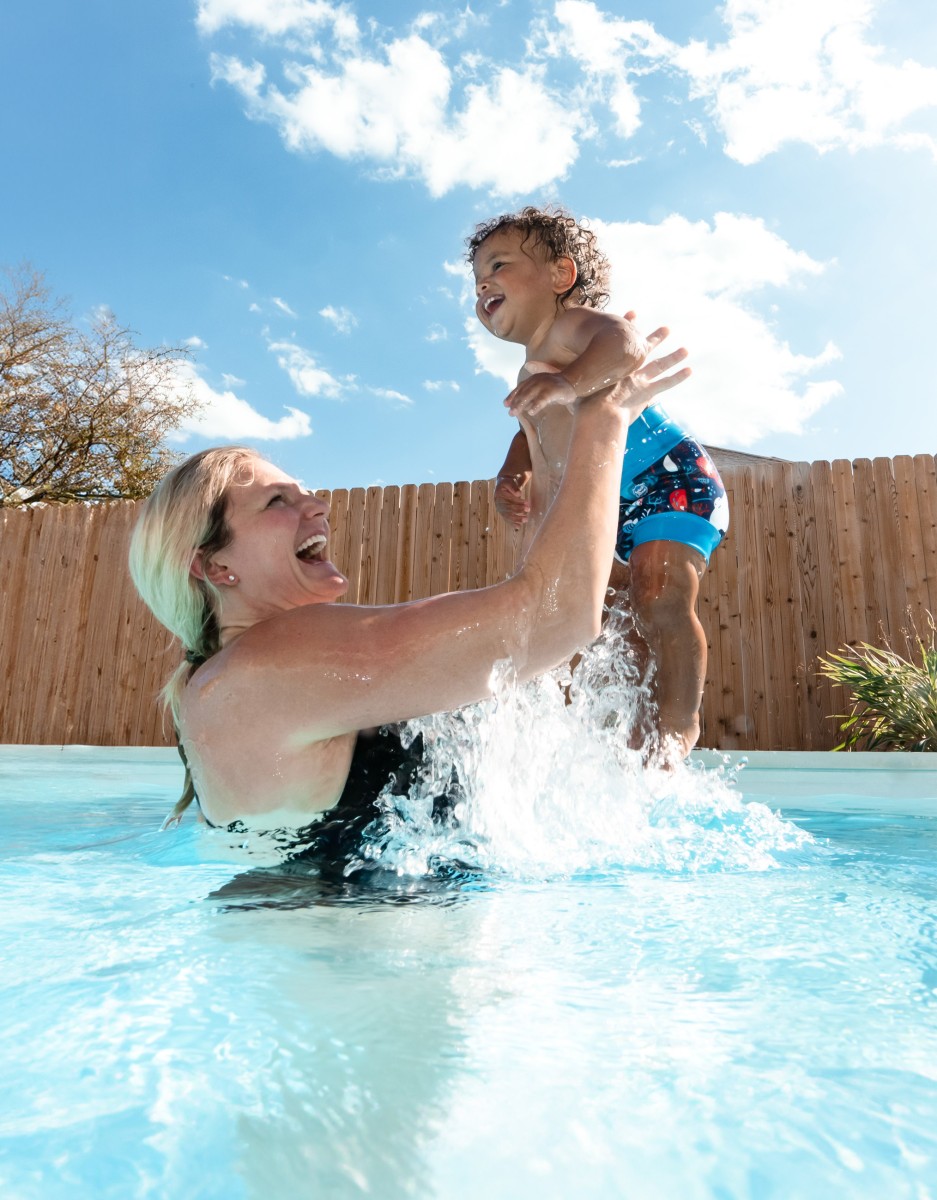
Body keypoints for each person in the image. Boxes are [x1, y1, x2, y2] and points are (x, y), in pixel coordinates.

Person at [127, 348, 701, 865]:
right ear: (214, 566)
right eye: (278, 500)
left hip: (337, 958)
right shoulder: (268, 662)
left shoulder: (234, 678)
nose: (319, 505)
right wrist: (607, 416)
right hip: (362, 969)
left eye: (306, 490)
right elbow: (554, 616)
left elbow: (533, 608)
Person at [468, 206, 728, 762]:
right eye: (476, 277)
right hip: (607, 499)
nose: (483, 281)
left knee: (659, 594)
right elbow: (526, 433)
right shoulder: (530, 375)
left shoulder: (573, 327)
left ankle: (679, 726)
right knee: (606, 616)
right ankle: (637, 730)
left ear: (561, 276)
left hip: (669, 478)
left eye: (499, 264)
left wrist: (568, 380)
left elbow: (626, 346)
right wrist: (511, 478)